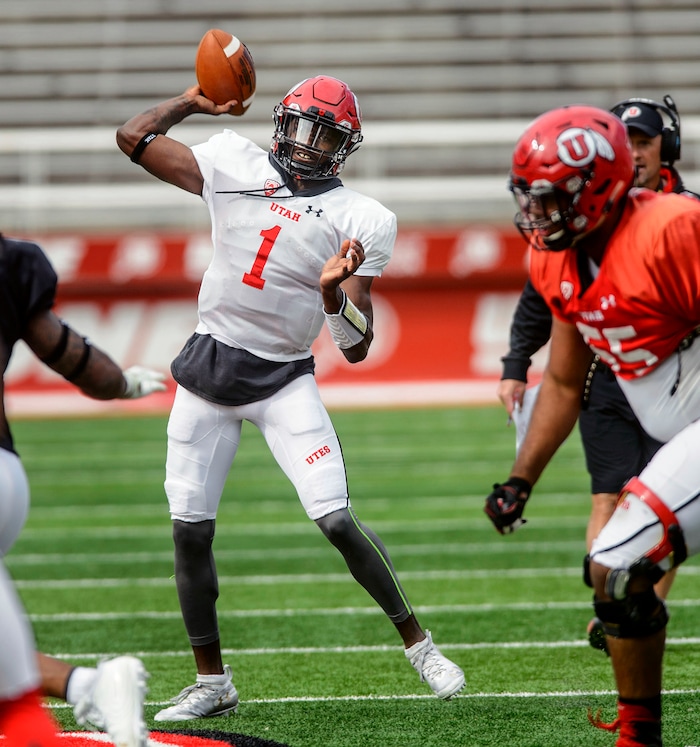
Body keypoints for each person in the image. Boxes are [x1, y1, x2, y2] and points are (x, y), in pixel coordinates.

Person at [116, 75, 465, 721]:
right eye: (301, 127)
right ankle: (212, 680)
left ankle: (421, 646)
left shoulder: (362, 217)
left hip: (282, 379)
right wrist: (194, 101)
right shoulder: (231, 159)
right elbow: (134, 138)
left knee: (336, 518)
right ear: (281, 123)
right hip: (208, 371)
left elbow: (356, 348)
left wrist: (333, 295)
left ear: (344, 145)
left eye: (323, 134)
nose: (306, 145)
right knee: (190, 533)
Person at [484, 104, 700, 747]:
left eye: (553, 199)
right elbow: (560, 378)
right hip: (681, 428)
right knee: (613, 568)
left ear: (600, 185)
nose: (539, 214)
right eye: (531, 199)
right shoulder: (554, 261)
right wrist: (521, 479)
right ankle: (639, 733)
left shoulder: (673, 229)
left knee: (621, 558)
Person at [0, 233, 166, 745]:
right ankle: (89, 686)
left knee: (15, 714)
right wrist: (123, 384)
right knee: (13, 706)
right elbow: (72, 356)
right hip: (6, 475)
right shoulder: (10, 262)